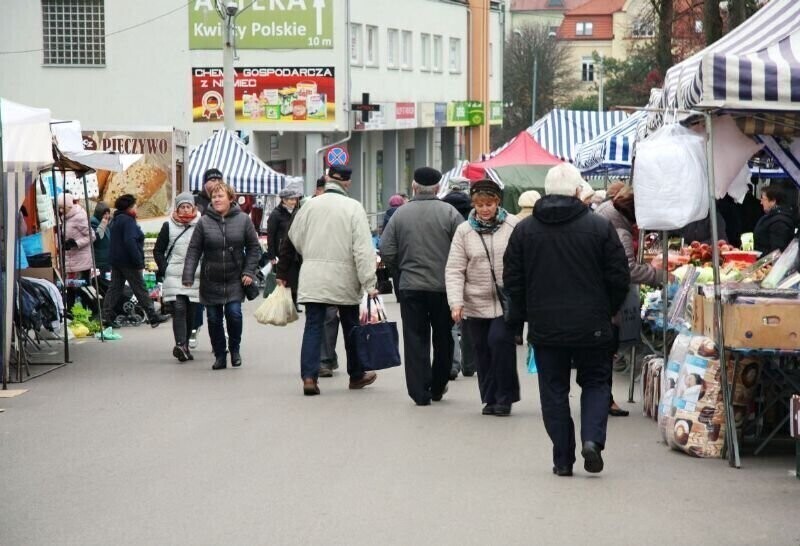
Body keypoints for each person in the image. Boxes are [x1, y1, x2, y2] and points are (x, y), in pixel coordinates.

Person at [504, 163, 630, 476]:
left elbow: (513, 281)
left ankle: (562, 459)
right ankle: (592, 440)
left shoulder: (524, 230)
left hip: (546, 327)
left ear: (547, 192)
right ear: (577, 191)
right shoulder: (599, 228)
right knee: (597, 382)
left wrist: (518, 322)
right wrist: (608, 310)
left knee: (554, 390)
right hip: (594, 325)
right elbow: (619, 276)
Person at [286, 164, 379, 396]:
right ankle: (356, 375)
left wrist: (310, 253)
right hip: (344, 277)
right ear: (347, 183)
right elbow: (363, 249)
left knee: (313, 326)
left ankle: (309, 377)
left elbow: (295, 237)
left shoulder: (308, 205)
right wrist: (370, 282)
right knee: (351, 327)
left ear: (327, 179)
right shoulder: (354, 208)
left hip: (313, 275)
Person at [380, 167, 464, 406]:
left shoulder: (399, 214)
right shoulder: (450, 213)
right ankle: (438, 386)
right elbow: (462, 247)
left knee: (415, 338)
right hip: (443, 287)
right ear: (438, 188)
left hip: (410, 286)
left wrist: (401, 269)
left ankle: (419, 391)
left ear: (414, 187)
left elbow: (386, 249)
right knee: (444, 336)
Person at [446, 179, 520, 416]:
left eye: (489, 203)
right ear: (474, 204)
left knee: (499, 343)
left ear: (497, 202)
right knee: (482, 350)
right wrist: (456, 302)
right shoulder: (464, 230)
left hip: (504, 301)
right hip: (475, 301)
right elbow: (455, 268)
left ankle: (505, 397)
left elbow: (524, 260)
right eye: (480, 204)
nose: (485, 209)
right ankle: (489, 398)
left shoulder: (512, 225)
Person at [595, 185, 662, 417]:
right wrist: (658, 275)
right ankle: (604, 400)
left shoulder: (604, 211)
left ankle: (603, 398)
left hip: (599, 297)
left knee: (602, 354)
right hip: (608, 300)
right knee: (605, 351)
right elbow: (629, 270)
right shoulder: (619, 230)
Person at [182, 181, 261, 370]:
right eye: (214, 197)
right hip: (211, 279)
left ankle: (235, 349)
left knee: (234, 314)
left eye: (220, 196)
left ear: (230, 198)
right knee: (213, 319)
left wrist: (249, 271)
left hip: (235, 278)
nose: (216, 200)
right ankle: (219, 354)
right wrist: (188, 275)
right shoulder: (204, 222)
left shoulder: (243, 220)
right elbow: (194, 249)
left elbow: (253, 247)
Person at [103, 194, 169, 328]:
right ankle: (152, 315)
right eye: (135, 206)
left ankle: (106, 315)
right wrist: (138, 262)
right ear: (129, 207)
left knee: (115, 288)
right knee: (140, 288)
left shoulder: (115, 220)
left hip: (117, 261)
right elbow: (130, 242)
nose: (136, 209)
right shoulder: (128, 221)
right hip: (128, 261)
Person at [154, 193, 201, 363]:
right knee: (179, 309)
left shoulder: (201, 224)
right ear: (177, 208)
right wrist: (165, 268)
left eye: (188, 206)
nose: (185, 209)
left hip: (195, 274)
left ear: (193, 207)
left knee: (191, 312)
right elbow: (158, 250)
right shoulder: (169, 226)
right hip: (174, 274)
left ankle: (186, 345)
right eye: (182, 206)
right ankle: (180, 344)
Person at [441, 177, 475, 380]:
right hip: (471, 268)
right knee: (469, 320)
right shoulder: (474, 210)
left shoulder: (442, 208)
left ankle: (453, 364)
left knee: (452, 320)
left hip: (449, 267)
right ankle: (470, 364)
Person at [189, 168, 224, 347]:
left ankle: (221, 333)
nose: (215, 183)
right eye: (212, 180)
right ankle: (194, 328)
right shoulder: (196, 202)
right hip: (200, 255)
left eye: (219, 179)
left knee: (224, 298)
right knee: (197, 298)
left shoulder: (226, 202)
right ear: (204, 183)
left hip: (222, 257)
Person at [266, 180, 305, 310]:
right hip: (280, 251)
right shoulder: (276, 214)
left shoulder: (297, 212)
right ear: (283, 200)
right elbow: (270, 236)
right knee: (285, 278)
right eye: (290, 199)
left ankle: (294, 302)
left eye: (295, 199)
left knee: (294, 277)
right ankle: (285, 303)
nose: (293, 202)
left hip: (295, 251)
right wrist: (272, 256)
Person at [58, 193, 95, 311]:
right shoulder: (65, 218)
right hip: (71, 259)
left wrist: (75, 243)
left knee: (79, 287)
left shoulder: (79, 216)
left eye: (62, 207)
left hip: (81, 260)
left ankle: (88, 311)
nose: (60, 210)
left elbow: (92, 236)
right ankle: (71, 312)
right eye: (59, 207)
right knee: (70, 287)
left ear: (69, 206)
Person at [753, 185, 796, 254]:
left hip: (768, 263)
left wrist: (755, 255)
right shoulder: (772, 217)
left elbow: (776, 253)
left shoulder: (779, 223)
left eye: (763, 199)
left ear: (773, 201)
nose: (761, 202)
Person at [90, 201, 112, 280]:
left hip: (106, 260)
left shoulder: (105, 221)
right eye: (104, 213)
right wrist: (103, 224)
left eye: (108, 213)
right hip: (99, 260)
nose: (107, 216)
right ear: (99, 213)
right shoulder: (93, 222)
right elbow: (97, 238)